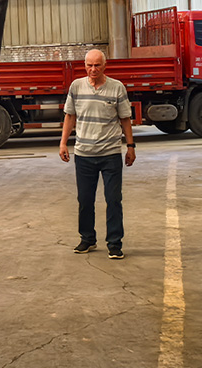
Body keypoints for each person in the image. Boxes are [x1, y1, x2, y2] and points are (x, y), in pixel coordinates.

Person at [59, 49, 136, 259]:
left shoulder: (117, 87)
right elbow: (69, 116)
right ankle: (87, 239)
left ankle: (114, 243)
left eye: (97, 65)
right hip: (84, 154)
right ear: (84, 65)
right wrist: (63, 143)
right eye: (89, 65)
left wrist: (130, 146)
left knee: (113, 199)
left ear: (105, 66)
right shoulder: (76, 86)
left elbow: (125, 119)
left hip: (110, 154)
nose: (93, 69)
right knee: (85, 200)